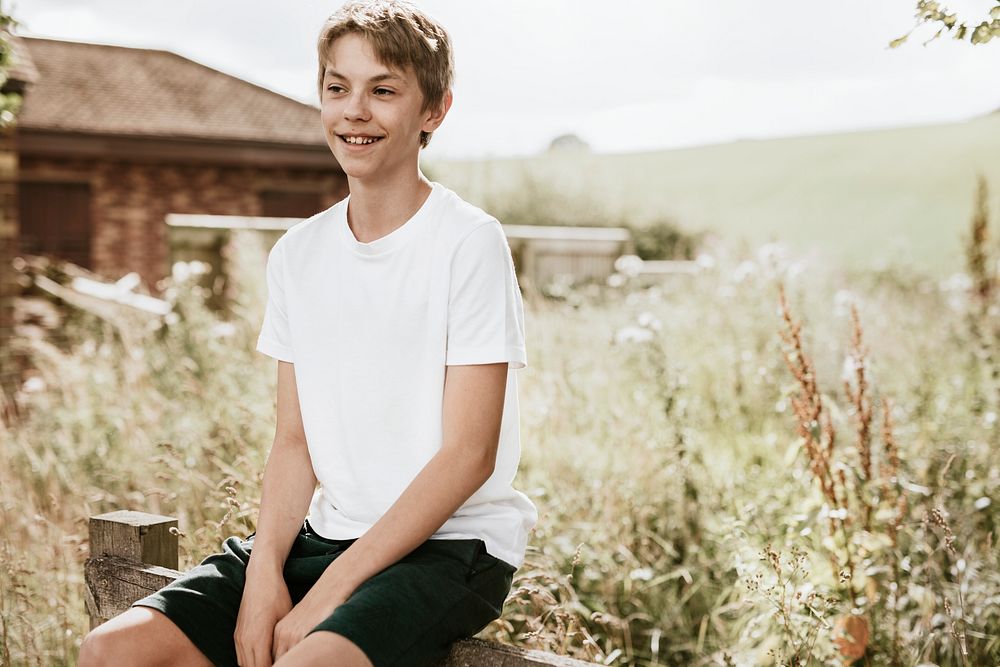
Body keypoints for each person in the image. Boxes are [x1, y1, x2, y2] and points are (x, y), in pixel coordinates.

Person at [77, 1, 537, 666]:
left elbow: (469, 455)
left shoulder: (469, 242)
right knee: (112, 650)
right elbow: (294, 440)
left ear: (433, 110)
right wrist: (266, 572)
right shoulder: (297, 253)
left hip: (450, 547)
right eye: (337, 87)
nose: (355, 110)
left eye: (383, 90)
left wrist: (332, 590)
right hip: (323, 534)